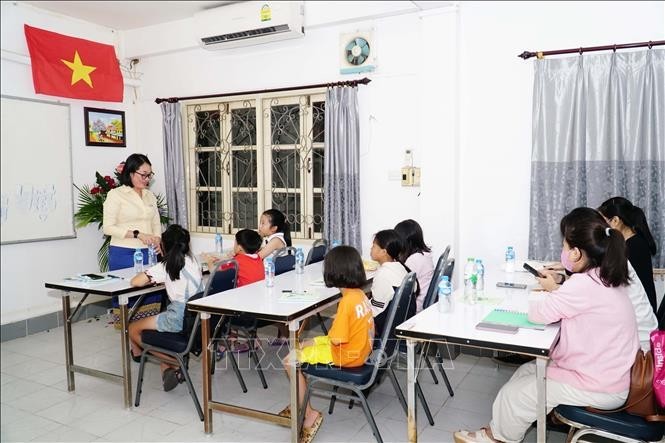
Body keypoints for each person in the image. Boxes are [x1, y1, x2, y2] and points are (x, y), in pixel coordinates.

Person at [454, 207, 639, 443]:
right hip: (606, 373)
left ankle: (498, 438)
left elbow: (538, 314)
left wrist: (546, 291)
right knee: (526, 371)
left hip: (601, 384)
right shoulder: (605, 276)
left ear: (576, 254)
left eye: (564, 246)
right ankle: (498, 429)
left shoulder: (584, 284)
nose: (562, 251)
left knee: (515, 395)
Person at [279, 246, 374, 443]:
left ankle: (309, 413)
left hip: (345, 355)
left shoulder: (346, 303)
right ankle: (299, 403)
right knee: (303, 345)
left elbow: (337, 339)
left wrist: (316, 341)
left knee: (289, 361)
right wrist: (313, 341)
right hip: (360, 350)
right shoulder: (360, 295)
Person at [128, 224, 203, 392]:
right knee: (159, 321)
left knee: (132, 328)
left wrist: (155, 268)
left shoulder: (167, 265)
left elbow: (136, 282)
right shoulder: (193, 260)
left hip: (178, 318)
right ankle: (168, 366)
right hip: (196, 318)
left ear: (165, 245)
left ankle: (175, 363)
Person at [103, 153, 164, 329]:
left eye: (149, 175)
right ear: (130, 173)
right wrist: (137, 234)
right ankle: (134, 346)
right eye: (143, 174)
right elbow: (108, 227)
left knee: (150, 296)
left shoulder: (149, 196)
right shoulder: (116, 195)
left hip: (149, 253)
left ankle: (147, 340)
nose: (147, 179)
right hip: (124, 253)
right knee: (129, 297)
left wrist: (157, 240)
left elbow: (155, 222)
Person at [203, 229, 264, 355]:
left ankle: (221, 342)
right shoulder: (257, 258)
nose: (234, 245)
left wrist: (209, 261)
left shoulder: (237, 261)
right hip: (257, 306)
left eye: (235, 243)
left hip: (243, 312)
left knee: (216, 302)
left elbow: (216, 272)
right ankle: (233, 339)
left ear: (240, 248)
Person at [598, 196, 658, 315]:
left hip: (641, 313)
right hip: (636, 308)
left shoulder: (634, 246)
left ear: (615, 221)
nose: (601, 228)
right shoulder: (629, 242)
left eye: (602, 222)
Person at [257, 208, 292, 344]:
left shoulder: (276, 240)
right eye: (260, 222)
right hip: (276, 281)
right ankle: (284, 335)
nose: (260, 226)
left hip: (272, 284)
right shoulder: (275, 238)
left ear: (274, 228)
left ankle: (287, 333)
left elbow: (258, 257)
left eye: (263, 223)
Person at [369, 229, 408, 336]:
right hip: (400, 321)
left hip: (384, 326)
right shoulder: (400, 267)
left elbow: (375, 311)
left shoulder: (382, 275)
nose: (371, 249)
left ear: (383, 252)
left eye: (373, 246)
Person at [394, 219, 434, 313]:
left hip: (415, 307)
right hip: (422, 302)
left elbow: (399, 285)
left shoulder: (413, 260)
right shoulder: (424, 255)